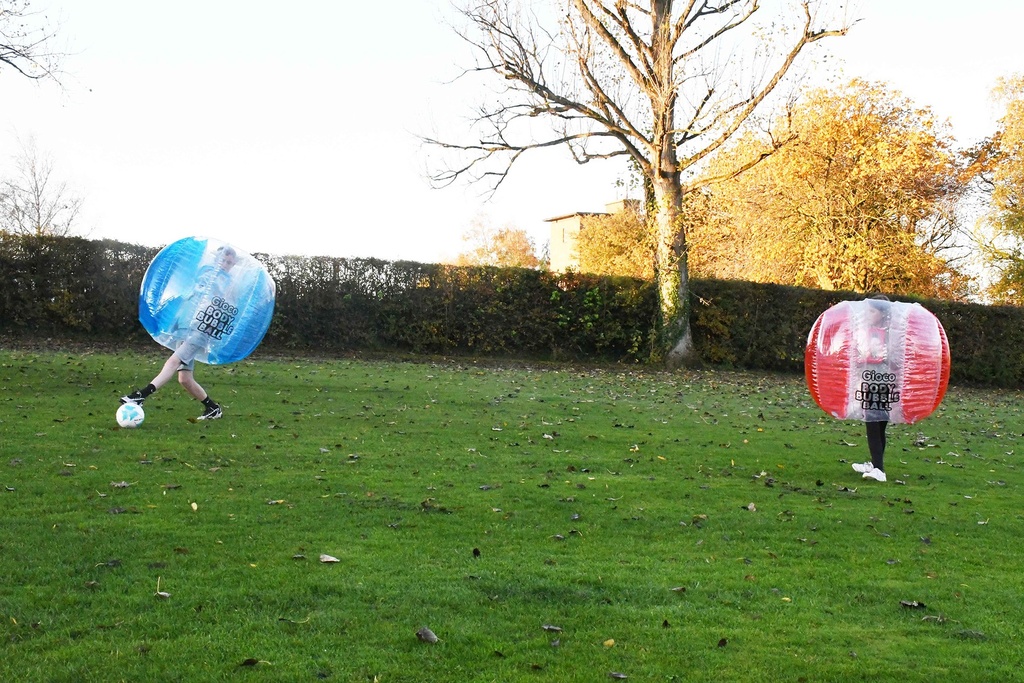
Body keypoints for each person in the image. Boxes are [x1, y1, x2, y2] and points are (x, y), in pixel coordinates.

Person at [121, 245, 238, 420]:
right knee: (184, 379)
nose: (225, 265)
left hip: (201, 329)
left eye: (229, 263)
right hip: (184, 327)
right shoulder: (203, 273)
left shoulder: (226, 283)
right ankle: (213, 408)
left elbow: (225, 304)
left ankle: (141, 395)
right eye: (223, 260)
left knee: (173, 361)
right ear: (216, 258)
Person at [851, 294, 892, 482]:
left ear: (882, 314)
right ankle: (875, 464)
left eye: (872, 311)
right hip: (878, 383)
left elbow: (889, 359)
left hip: (878, 383)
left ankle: (879, 470)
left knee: (873, 425)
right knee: (879, 425)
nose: (868, 314)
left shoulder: (886, 335)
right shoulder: (872, 332)